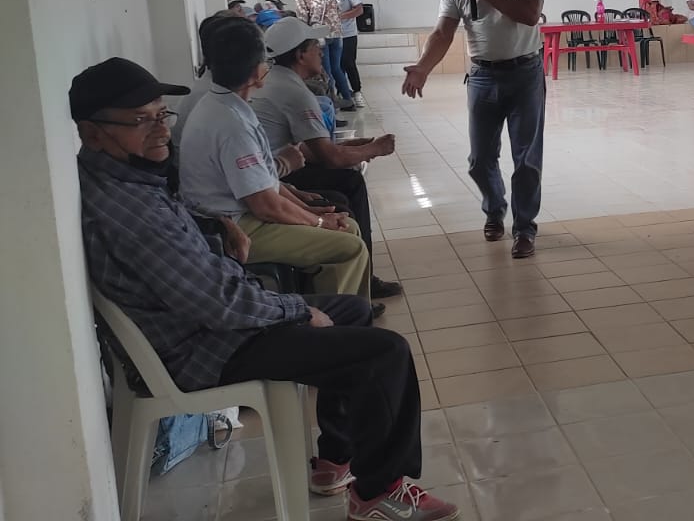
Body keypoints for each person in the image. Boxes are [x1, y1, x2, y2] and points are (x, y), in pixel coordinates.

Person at [71, 57, 460, 521]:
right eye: (141, 120)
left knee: (353, 311)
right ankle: (380, 494)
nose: (161, 130)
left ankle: (337, 459)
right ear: (92, 133)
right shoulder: (131, 212)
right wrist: (295, 310)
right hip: (207, 347)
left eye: (161, 114)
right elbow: (218, 304)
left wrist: (217, 225)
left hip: (210, 327)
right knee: (384, 353)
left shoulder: (128, 179)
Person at [179, 15, 371, 298]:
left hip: (244, 214)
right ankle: (340, 316)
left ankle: (350, 309)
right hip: (235, 228)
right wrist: (319, 223)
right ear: (256, 70)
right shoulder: (231, 124)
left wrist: (310, 212)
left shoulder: (226, 104)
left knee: (348, 227)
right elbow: (265, 205)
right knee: (348, 247)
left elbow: (264, 180)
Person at [404, 0, 546, 259]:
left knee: (526, 159)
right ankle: (494, 211)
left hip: (525, 74)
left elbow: (530, 15)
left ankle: (524, 229)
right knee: (479, 159)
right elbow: (442, 33)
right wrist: (422, 68)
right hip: (482, 77)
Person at [255, 18, 402, 298]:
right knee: (349, 182)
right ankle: (363, 279)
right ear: (300, 55)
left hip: (274, 171)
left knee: (343, 182)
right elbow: (330, 158)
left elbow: (309, 148)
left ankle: (357, 275)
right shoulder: (295, 92)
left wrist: (349, 148)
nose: (321, 50)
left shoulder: (275, 80)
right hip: (274, 177)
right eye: (315, 46)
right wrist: (375, 149)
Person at [295, 0, 353, 111]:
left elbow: (302, 17)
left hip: (319, 35)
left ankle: (332, 107)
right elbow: (338, 10)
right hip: (336, 33)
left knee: (325, 72)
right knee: (336, 68)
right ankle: (348, 100)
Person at [317, 0, 367, 109]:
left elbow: (359, 10)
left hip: (348, 33)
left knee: (349, 63)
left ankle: (357, 92)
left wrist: (339, 16)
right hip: (331, 35)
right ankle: (343, 95)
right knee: (336, 67)